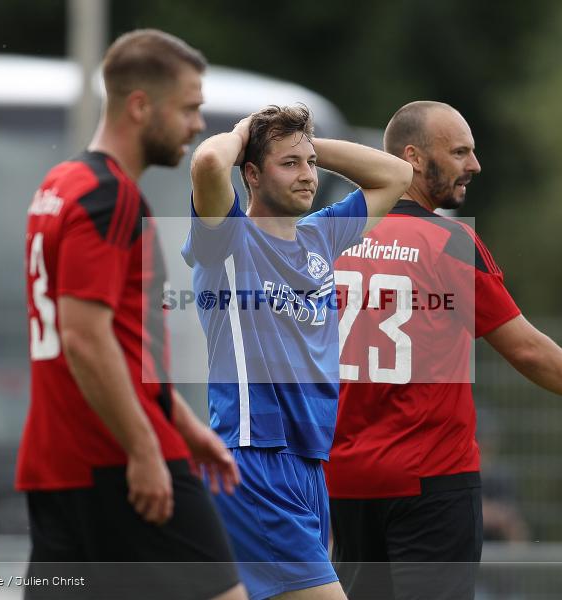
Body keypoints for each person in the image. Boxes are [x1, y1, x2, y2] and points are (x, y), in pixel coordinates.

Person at [325, 100, 562, 600]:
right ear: (412, 158)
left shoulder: (332, 239)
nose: (473, 165)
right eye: (459, 152)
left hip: (346, 480)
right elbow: (526, 350)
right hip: (430, 480)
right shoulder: (447, 241)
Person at [17, 29, 246, 600]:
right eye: (190, 108)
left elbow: (121, 337)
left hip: (57, 461)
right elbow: (86, 340)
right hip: (116, 456)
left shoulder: (60, 184)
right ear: (141, 106)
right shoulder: (111, 196)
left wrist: (186, 426)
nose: (198, 125)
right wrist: (147, 448)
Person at [183, 105, 413, 599]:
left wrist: (304, 144)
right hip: (255, 458)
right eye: (289, 165)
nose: (307, 175)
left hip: (308, 463)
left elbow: (396, 174)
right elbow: (206, 162)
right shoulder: (226, 240)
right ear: (250, 172)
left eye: (310, 165)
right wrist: (248, 134)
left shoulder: (319, 237)